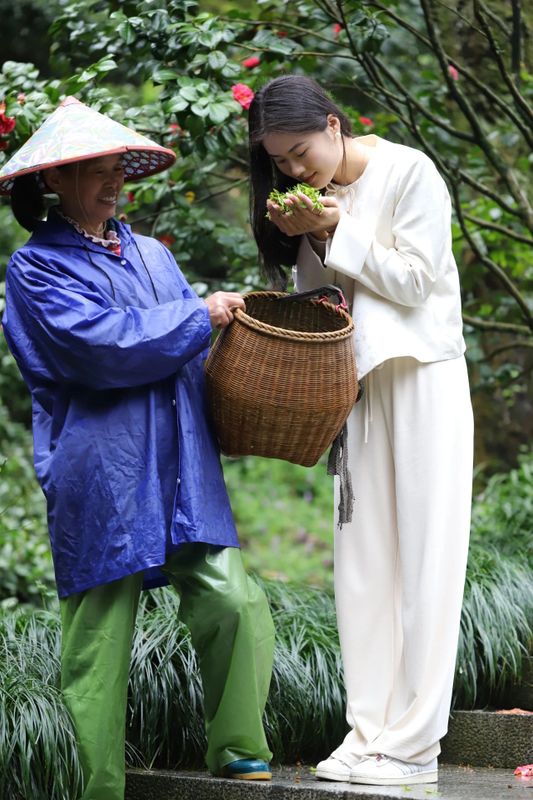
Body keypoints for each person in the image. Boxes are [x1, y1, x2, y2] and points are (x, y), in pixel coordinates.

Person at [0, 97, 274, 800]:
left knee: (232, 600)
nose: (111, 180)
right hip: (101, 464)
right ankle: (96, 785)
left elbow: (192, 351)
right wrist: (197, 314)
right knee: (101, 629)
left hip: (181, 453)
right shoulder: (34, 270)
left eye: (117, 165)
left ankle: (240, 750)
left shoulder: (152, 253)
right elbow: (97, 350)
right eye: (93, 169)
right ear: (54, 183)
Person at [248, 75, 473, 787]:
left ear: (334, 124)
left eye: (298, 151)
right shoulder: (314, 201)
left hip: (422, 377)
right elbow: (330, 305)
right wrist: (305, 238)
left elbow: (413, 282)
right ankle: (368, 731)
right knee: (362, 569)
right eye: (278, 161)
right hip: (356, 388)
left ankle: (413, 746)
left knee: (426, 564)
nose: (291, 169)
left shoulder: (409, 171)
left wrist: (328, 229)